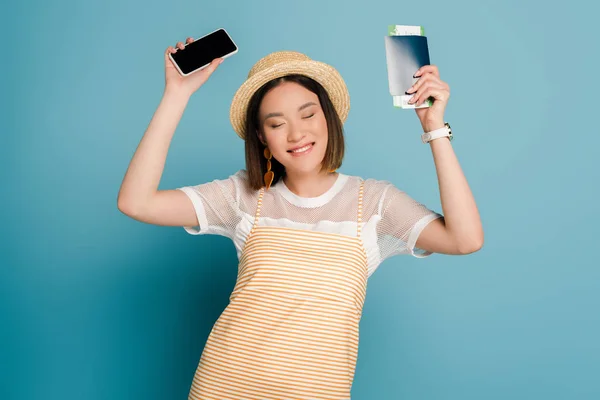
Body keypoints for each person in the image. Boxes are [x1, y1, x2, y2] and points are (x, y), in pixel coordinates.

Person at [117, 35, 484, 400]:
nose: (297, 133)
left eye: (308, 114)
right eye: (277, 124)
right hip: (223, 387)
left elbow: (465, 239)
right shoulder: (244, 196)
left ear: (329, 117)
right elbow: (136, 202)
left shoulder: (374, 202)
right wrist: (176, 95)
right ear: (262, 137)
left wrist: (433, 126)